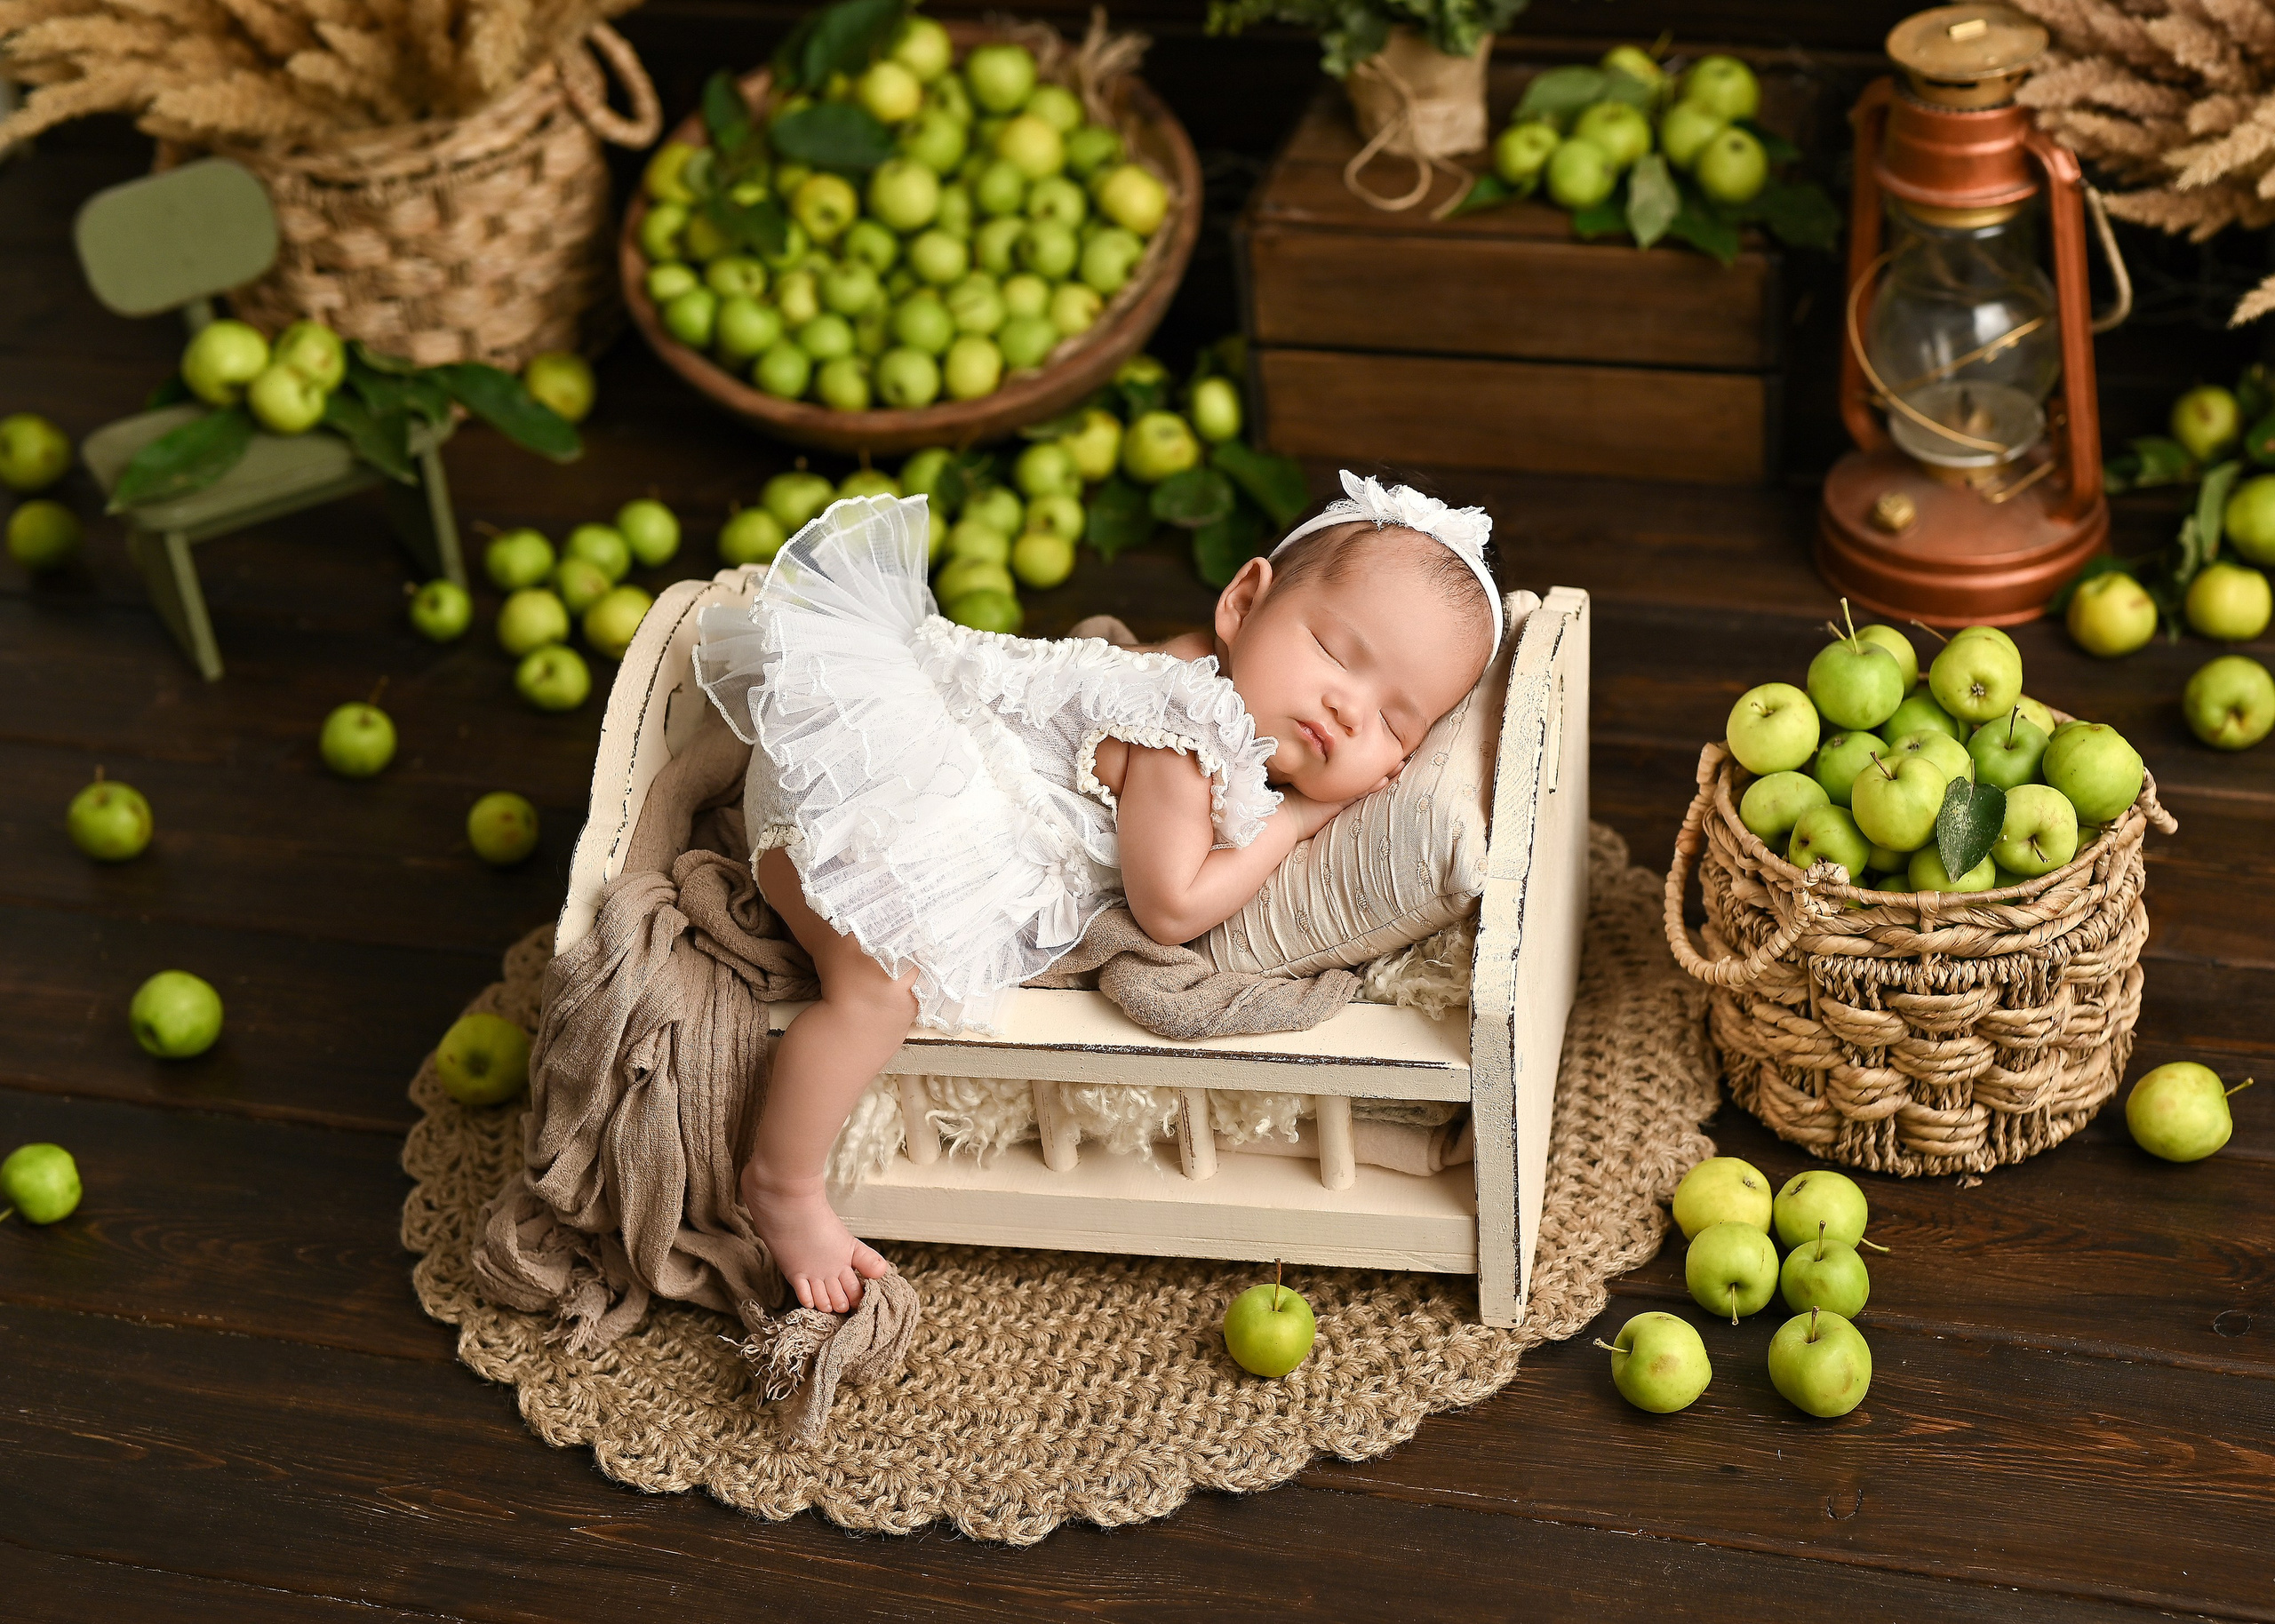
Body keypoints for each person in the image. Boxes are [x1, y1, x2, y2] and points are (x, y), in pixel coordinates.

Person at [693, 470, 1504, 1312]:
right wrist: (1292, 824)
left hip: (876, 768)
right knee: (879, 994)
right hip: (850, 802)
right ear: (1244, 601)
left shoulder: (1200, 664)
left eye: (1393, 725)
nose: (1347, 709)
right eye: (1338, 655)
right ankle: (783, 1187)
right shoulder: (1184, 727)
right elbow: (1171, 907)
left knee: (885, 985)